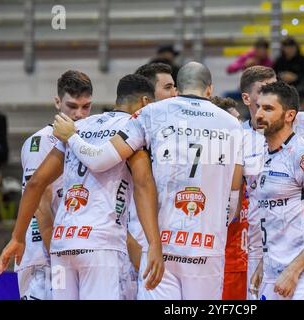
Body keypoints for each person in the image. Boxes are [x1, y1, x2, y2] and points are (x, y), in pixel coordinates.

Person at [50, 62, 244, 300]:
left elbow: (100, 160)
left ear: (178, 88)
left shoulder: (152, 113)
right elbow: (234, 195)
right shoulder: (233, 124)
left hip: (161, 247)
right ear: (209, 88)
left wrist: (72, 136)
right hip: (207, 246)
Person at [0, 74, 164, 300]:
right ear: (145, 102)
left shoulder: (81, 126)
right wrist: (154, 243)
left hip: (62, 245)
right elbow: (143, 184)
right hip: (99, 244)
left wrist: (17, 237)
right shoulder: (134, 126)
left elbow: (36, 183)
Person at [239, 66, 304, 298]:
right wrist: (265, 266)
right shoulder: (265, 155)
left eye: (268, 109)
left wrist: (294, 270)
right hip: (274, 268)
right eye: (259, 108)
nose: (259, 115)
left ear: (289, 116)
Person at [14, 70, 94, 300]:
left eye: (86, 106)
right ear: (57, 102)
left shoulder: (86, 140)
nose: (79, 114)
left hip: (71, 250)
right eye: (72, 106)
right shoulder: (40, 142)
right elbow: (40, 206)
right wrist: (59, 256)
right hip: (43, 256)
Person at [210, 96, 248, 300]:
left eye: (240, 120)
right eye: (234, 122)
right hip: (226, 262)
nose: (240, 126)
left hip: (251, 261)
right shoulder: (215, 165)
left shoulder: (251, 158)